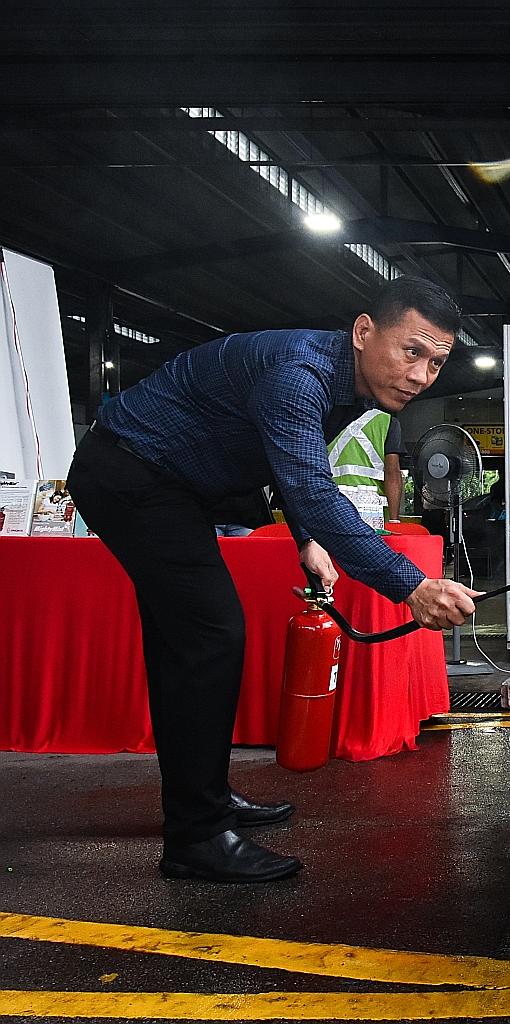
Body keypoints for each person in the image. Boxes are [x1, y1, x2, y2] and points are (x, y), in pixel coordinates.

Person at [67, 276, 479, 884]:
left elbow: (294, 467)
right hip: (133, 474)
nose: (420, 375)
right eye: (410, 351)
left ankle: (202, 798)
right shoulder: (299, 374)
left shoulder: (352, 385)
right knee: (211, 635)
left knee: (189, 641)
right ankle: (196, 837)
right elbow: (313, 489)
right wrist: (410, 586)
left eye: (436, 363)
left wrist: (308, 540)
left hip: (168, 486)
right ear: (364, 333)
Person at [328, 409, 406, 520]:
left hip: (332, 507)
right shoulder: (386, 422)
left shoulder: (324, 420)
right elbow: (392, 473)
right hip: (372, 513)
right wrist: (394, 521)